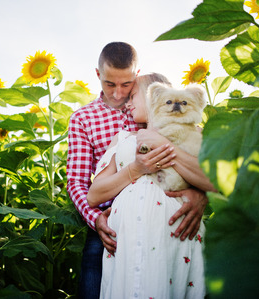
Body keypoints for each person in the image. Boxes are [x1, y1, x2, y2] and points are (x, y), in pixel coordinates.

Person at [66, 42, 209, 299]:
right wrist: (95, 218)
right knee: (98, 286)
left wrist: (200, 193)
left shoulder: (159, 107)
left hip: (170, 218)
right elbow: (78, 183)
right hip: (110, 222)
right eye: (110, 84)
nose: (120, 95)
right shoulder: (84, 118)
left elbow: (198, 163)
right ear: (98, 75)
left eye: (127, 86)